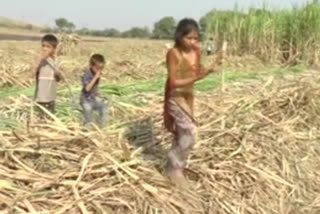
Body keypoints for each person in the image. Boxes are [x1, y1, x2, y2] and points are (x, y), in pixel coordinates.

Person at [163, 18, 220, 184]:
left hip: (189, 96)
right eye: (188, 38)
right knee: (189, 133)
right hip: (176, 97)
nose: (192, 42)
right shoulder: (173, 53)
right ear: (179, 36)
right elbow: (173, 81)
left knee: (182, 133)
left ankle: (171, 168)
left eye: (195, 38)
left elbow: (198, 72)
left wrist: (211, 68)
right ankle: (175, 169)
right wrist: (199, 76)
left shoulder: (196, 51)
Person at [33, 34, 63, 118]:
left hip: (51, 94)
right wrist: (40, 59)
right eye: (43, 46)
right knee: (42, 115)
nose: (44, 49)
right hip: (42, 95)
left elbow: (58, 79)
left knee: (50, 115)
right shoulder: (40, 60)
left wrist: (58, 74)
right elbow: (33, 71)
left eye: (48, 47)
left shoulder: (55, 61)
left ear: (54, 49)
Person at [80, 54, 107, 128]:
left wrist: (98, 94)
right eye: (97, 68)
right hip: (86, 100)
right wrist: (95, 77)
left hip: (93, 98)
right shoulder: (86, 75)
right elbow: (87, 89)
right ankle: (87, 128)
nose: (99, 71)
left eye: (101, 69)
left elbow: (94, 88)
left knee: (103, 108)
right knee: (88, 111)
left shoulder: (96, 74)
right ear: (91, 65)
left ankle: (102, 126)